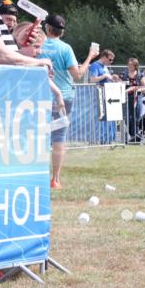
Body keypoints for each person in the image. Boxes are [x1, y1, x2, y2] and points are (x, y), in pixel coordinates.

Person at [39, 13, 99, 188]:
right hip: (63, 98)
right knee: (58, 139)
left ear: (47, 28)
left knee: (37, 137)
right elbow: (78, 75)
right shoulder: (65, 48)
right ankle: (55, 179)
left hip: (40, 95)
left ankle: (36, 175)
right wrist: (90, 56)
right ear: (62, 32)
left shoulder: (37, 45)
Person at [122, 57, 145, 142]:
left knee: (137, 117)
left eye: (131, 65)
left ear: (135, 66)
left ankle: (136, 135)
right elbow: (119, 84)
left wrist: (136, 89)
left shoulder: (140, 75)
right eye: (128, 64)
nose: (129, 66)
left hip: (137, 98)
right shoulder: (124, 74)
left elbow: (144, 87)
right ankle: (131, 135)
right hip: (126, 98)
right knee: (127, 117)